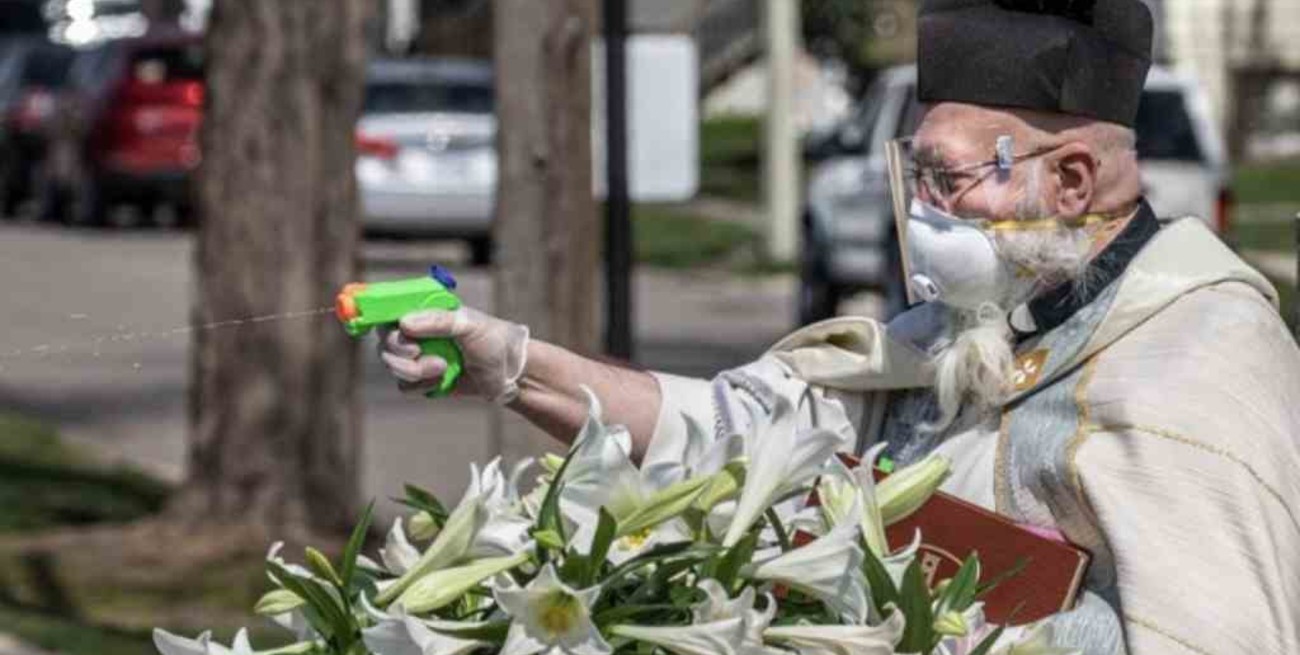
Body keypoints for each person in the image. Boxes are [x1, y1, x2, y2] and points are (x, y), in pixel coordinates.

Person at [379, 0, 1300, 651]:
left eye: (950, 178)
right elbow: (738, 436)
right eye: (920, 177)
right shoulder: (964, 329)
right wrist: (514, 364)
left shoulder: (1195, 361)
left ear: (1066, 183)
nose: (925, 210)